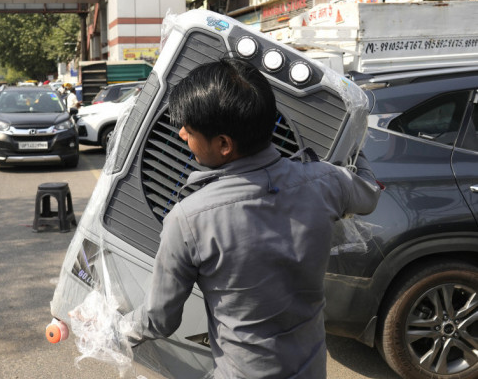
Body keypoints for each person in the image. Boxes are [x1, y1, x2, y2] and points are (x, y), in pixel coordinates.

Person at [123, 57, 382, 378]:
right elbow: (369, 193)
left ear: (223, 144)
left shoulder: (189, 220)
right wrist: (357, 136)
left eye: (189, 130)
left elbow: (159, 319)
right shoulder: (326, 182)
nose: (180, 135)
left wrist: (110, 328)